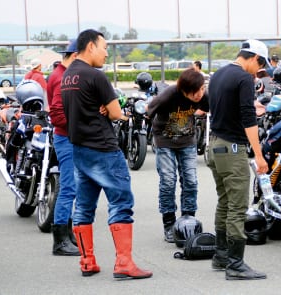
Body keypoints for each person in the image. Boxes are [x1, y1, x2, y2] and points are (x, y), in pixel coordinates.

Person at [61, 29, 152, 280]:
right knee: (121, 204)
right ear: (90, 46)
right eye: (104, 48)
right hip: (104, 149)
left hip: (79, 148)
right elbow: (115, 113)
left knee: (84, 207)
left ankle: (87, 261)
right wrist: (113, 109)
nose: (106, 53)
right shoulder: (95, 76)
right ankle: (124, 263)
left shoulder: (67, 76)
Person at [207, 39, 268, 281]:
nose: (259, 72)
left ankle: (221, 256)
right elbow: (248, 118)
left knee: (224, 201)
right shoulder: (244, 78)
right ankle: (235, 264)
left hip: (214, 145)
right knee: (237, 206)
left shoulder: (219, 74)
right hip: (232, 148)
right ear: (254, 58)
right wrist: (259, 155)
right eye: (260, 67)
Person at [147, 68, 209, 243]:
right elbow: (149, 109)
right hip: (165, 141)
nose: (199, 94)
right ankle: (169, 224)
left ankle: (188, 222)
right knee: (168, 181)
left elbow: (216, 107)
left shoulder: (202, 95)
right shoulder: (169, 95)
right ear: (184, 90)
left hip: (187, 141)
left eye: (202, 89)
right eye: (195, 92)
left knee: (190, 181)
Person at [46, 39, 80, 256]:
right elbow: (57, 115)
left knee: (70, 188)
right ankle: (60, 240)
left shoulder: (59, 74)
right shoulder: (61, 78)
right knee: (68, 188)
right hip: (66, 138)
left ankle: (66, 233)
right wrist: (84, 123)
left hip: (67, 137)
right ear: (75, 56)